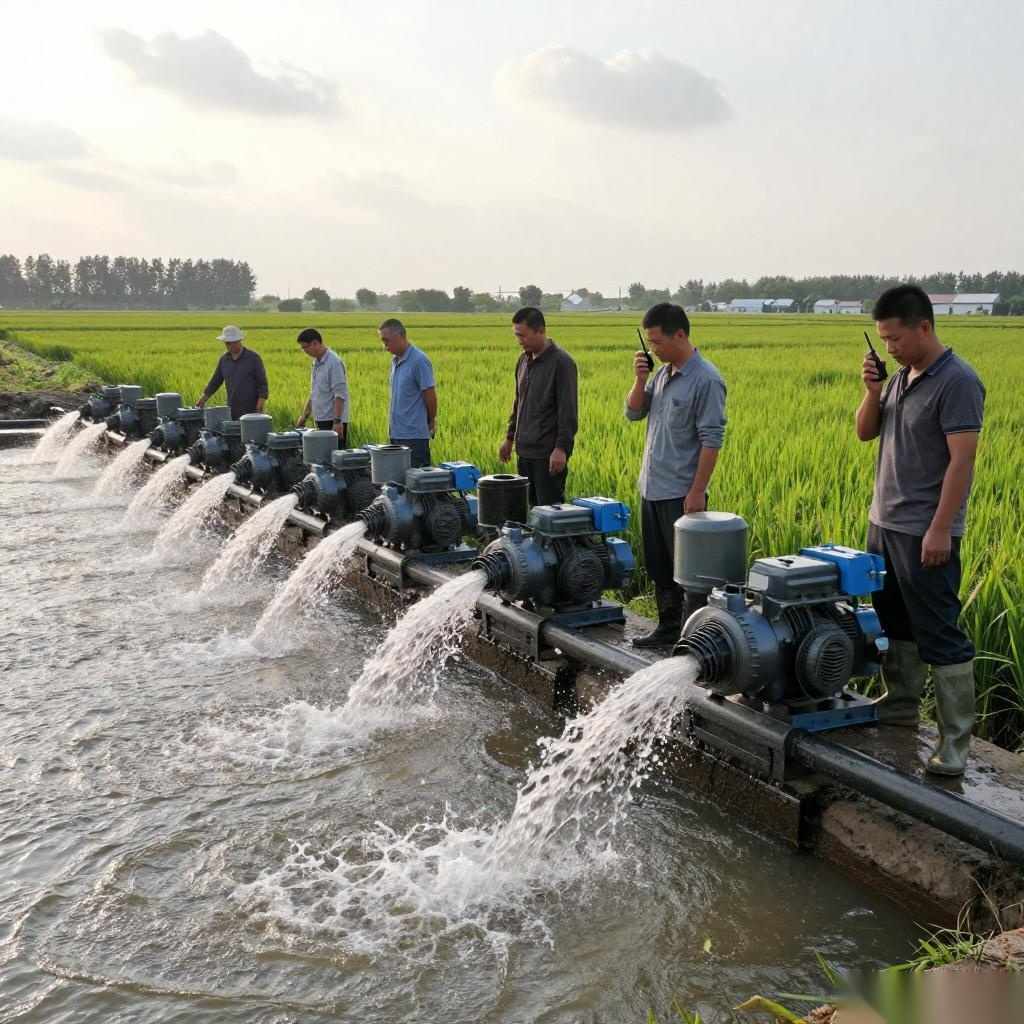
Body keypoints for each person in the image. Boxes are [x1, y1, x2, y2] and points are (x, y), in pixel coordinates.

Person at [857, 285, 985, 777]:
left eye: (895, 338)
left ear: (924, 327)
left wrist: (940, 529)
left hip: (924, 531)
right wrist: (872, 390)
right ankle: (900, 705)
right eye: (883, 340)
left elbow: (962, 461)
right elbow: (866, 432)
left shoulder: (957, 381)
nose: (888, 347)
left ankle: (955, 742)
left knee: (940, 632)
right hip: (884, 523)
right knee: (895, 622)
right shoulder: (899, 380)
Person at [625, 303, 726, 648]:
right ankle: (667, 628)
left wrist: (698, 491)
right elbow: (634, 412)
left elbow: (711, 441)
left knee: (688, 573)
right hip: (652, 486)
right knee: (659, 565)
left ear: (680, 335)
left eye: (657, 342)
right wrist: (640, 378)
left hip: (681, 492)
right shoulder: (661, 374)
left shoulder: (707, 380)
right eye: (650, 343)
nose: (653, 349)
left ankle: (692, 640)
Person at [499, 307, 578, 506]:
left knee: (549, 513)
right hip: (524, 451)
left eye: (523, 336)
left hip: (547, 455)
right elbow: (519, 402)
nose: (519, 340)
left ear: (540, 331)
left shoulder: (562, 363)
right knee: (528, 512)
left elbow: (568, 411)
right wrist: (509, 438)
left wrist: (561, 449)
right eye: (516, 335)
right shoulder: (523, 361)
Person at [379, 318, 437, 467]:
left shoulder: (419, 361)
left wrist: (431, 421)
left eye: (387, 341)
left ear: (400, 336)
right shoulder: (395, 361)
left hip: (414, 436)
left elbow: (430, 395)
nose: (385, 346)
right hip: (396, 433)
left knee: (416, 483)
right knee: (398, 481)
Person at [196, 325, 268, 419]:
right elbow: (215, 381)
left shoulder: (253, 358)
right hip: (232, 408)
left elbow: (262, 384)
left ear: (239, 341)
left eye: (231, 343)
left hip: (252, 410)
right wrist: (203, 399)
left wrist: (260, 406)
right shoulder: (224, 360)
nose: (228, 346)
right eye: (226, 343)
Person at [295, 328, 349, 443]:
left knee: (332, 458)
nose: (304, 351)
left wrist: (337, 422)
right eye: (302, 348)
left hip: (332, 421)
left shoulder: (333, 363)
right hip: (321, 419)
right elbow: (314, 392)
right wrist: (304, 416)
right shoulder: (316, 363)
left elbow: (339, 395)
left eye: (305, 347)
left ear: (315, 343)